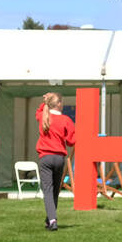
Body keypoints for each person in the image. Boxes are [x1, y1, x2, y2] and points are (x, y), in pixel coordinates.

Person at [35, 93, 75, 231]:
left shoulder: (42, 117)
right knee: (55, 191)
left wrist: (44, 102)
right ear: (58, 104)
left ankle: (52, 220)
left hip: (45, 157)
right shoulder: (66, 120)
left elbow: (38, 112)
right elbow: (71, 142)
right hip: (59, 158)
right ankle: (49, 219)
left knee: (47, 190)